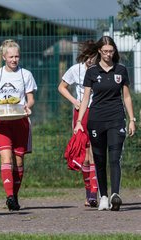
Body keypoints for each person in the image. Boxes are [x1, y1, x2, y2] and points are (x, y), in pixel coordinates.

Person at [74, 36, 136, 211]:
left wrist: (132, 119)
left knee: (115, 158)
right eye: (105, 51)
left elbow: (126, 96)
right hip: (96, 120)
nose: (108, 54)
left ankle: (115, 195)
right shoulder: (92, 72)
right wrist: (79, 121)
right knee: (99, 159)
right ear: (100, 51)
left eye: (111, 51)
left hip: (116, 118)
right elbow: (86, 98)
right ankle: (103, 196)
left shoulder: (121, 70)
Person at [0, 39, 37, 211]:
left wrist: (27, 107)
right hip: (2, 122)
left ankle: (14, 195)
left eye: (17, 56)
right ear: (3, 57)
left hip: (20, 121)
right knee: (6, 158)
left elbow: (30, 99)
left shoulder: (26, 74)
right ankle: (9, 197)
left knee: (19, 161)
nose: (14, 60)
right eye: (11, 57)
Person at [58, 40, 99, 208]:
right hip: (81, 113)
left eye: (93, 56)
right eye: (87, 57)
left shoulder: (101, 69)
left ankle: (95, 193)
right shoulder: (76, 69)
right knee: (85, 154)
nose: (90, 60)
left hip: (97, 112)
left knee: (95, 152)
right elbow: (62, 87)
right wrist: (75, 101)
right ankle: (89, 191)